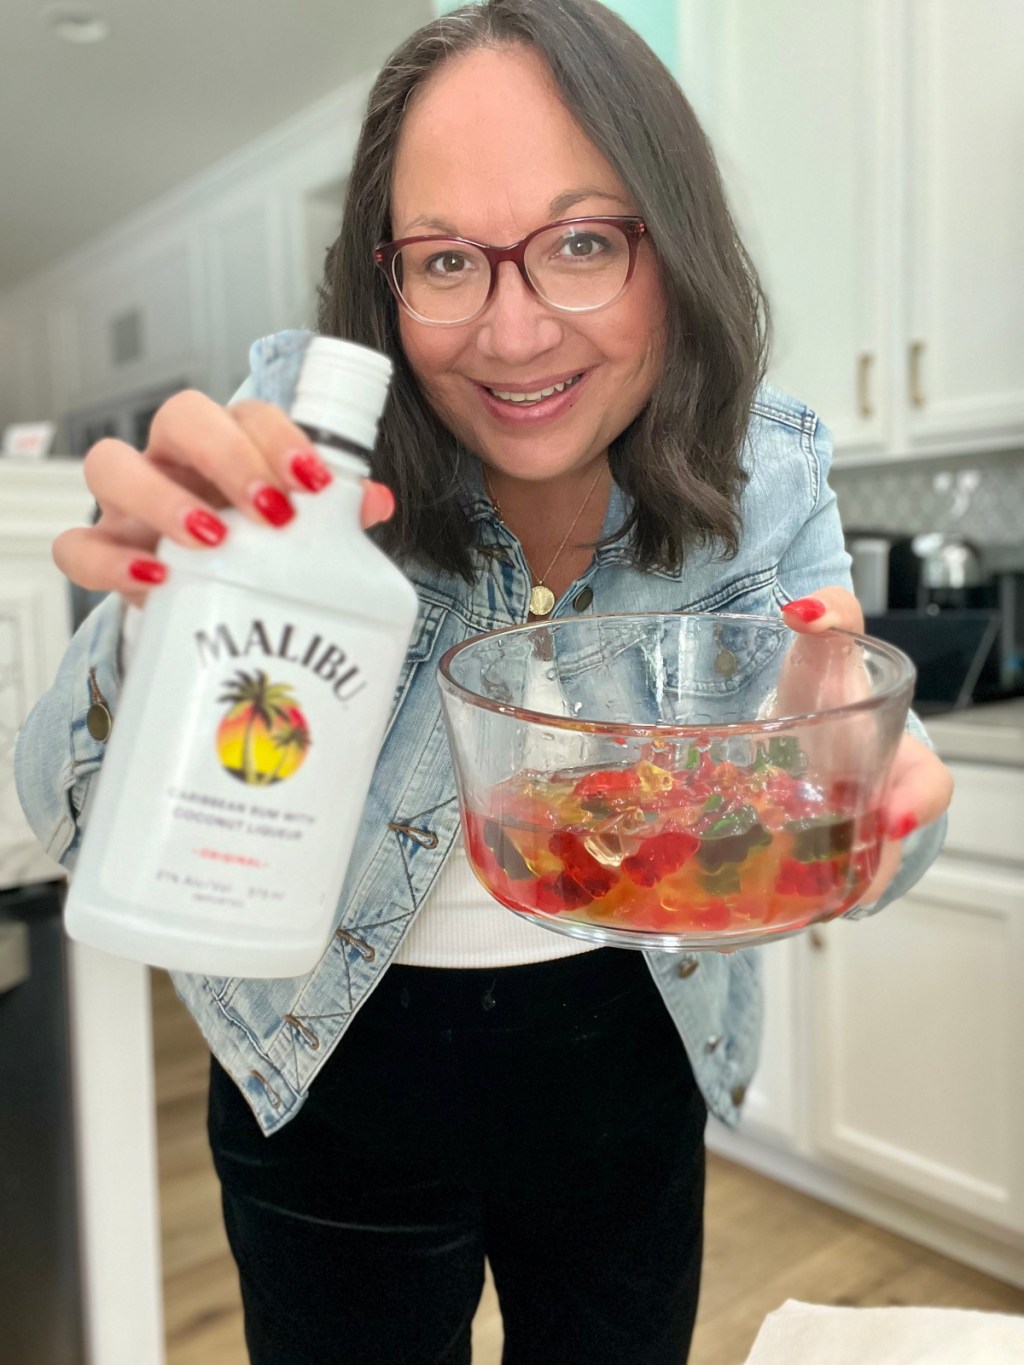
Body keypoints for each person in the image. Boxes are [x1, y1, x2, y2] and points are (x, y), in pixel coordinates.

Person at [15, 2, 953, 1362]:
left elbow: (852, 824)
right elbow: (64, 816)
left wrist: (875, 814)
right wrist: (146, 644)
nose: (514, 336)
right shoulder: (294, 453)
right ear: (385, 279)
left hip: (629, 1057)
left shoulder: (770, 484)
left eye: (582, 243)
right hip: (326, 1057)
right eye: (448, 260)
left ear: (672, 244)